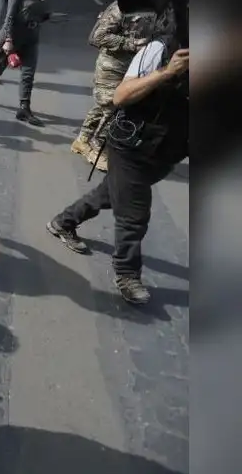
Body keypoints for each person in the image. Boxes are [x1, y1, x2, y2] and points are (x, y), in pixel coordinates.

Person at [48, 41, 189, 305]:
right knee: (134, 213)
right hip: (131, 143)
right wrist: (168, 72)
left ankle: (63, 221)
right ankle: (127, 273)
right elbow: (121, 96)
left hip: (168, 150)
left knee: (112, 193)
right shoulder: (160, 48)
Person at [71, 1, 175, 171]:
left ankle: (82, 140)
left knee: (104, 106)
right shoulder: (125, 4)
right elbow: (98, 36)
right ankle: (98, 151)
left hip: (136, 68)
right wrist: (132, 44)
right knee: (112, 107)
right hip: (112, 66)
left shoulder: (166, 9)